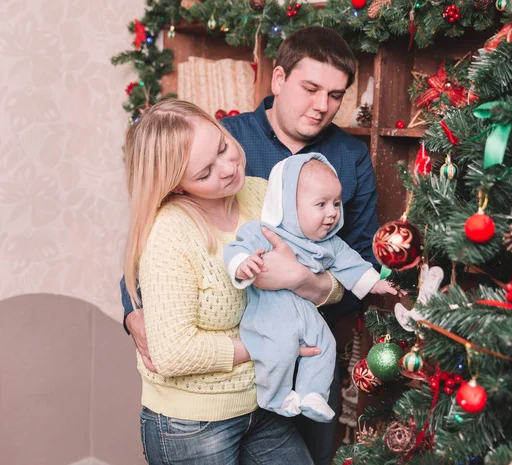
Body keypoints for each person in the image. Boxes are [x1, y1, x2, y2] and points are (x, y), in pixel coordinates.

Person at [121, 26, 380, 465]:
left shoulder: (329, 165)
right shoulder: (216, 141)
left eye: (335, 95)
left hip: (301, 366)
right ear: (278, 79)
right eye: (310, 88)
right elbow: (149, 261)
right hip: (206, 410)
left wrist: (305, 282)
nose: (322, 105)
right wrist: (133, 314)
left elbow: (354, 260)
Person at [223, 154, 399, 424]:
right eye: (321, 204)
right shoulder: (265, 231)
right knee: (279, 349)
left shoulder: (330, 244)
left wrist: (376, 283)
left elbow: (353, 266)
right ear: (289, 206)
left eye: (336, 204)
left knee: (325, 343)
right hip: (269, 314)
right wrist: (242, 264)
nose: (332, 213)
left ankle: (312, 394)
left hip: (307, 313)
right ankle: (274, 397)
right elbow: (236, 249)